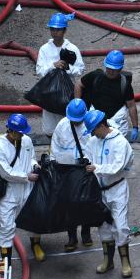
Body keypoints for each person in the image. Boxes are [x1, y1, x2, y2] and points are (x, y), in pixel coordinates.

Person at [82, 110, 134, 277]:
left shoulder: (120, 143)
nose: (92, 134)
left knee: (120, 226)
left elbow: (116, 168)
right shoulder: (92, 142)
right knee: (103, 227)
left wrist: (97, 168)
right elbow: (87, 159)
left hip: (117, 189)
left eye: (93, 130)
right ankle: (108, 261)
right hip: (99, 191)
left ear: (102, 125)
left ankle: (125, 262)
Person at [0, 114, 45, 263]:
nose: (22, 135)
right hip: (9, 191)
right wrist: (26, 176)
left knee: (35, 218)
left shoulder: (26, 140)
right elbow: (6, 173)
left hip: (27, 188)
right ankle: (6, 261)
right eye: (20, 133)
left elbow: (31, 158)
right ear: (11, 131)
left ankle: (36, 245)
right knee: (6, 225)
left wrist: (35, 165)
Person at [50, 98, 93, 250]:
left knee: (86, 202)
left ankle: (86, 233)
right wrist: (55, 165)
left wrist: (89, 162)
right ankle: (72, 237)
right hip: (67, 170)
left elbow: (95, 146)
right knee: (68, 204)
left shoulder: (90, 123)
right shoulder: (62, 126)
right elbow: (55, 147)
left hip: (85, 169)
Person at [37, 12, 85, 136]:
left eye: (58, 30)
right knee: (49, 129)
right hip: (49, 92)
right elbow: (39, 71)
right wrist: (53, 65)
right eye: (52, 29)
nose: (55, 32)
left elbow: (80, 69)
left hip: (67, 91)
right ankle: (53, 151)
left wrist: (67, 67)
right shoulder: (44, 49)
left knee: (68, 125)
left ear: (64, 30)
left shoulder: (72, 48)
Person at [74, 50, 139, 142]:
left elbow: (131, 106)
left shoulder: (124, 83)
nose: (111, 71)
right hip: (95, 120)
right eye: (109, 68)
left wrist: (135, 127)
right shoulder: (95, 76)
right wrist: (77, 103)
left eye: (114, 69)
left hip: (116, 122)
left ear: (120, 69)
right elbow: (78, 84)